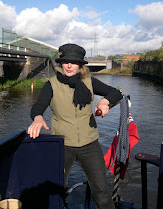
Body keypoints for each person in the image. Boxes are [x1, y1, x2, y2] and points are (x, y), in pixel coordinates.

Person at [28, 43, 123, 209]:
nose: (69, 65)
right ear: (61, 63)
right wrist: (37, 118)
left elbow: (116, 93)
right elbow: (38, 107)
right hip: (62, 144)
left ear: (80, 64)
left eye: (74, 61)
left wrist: (104, 101)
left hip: (89, 143)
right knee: (57, 189)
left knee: (101, 190)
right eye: (66, 61)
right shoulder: (51, 85)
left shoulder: (89, 82)